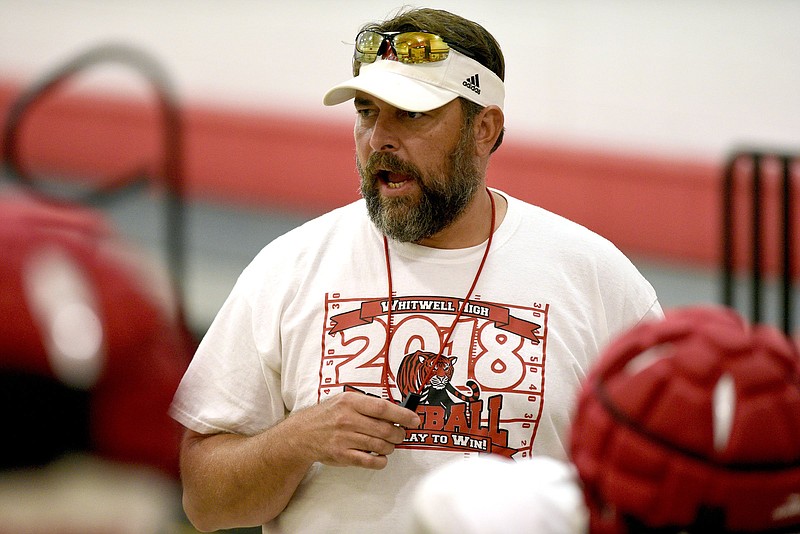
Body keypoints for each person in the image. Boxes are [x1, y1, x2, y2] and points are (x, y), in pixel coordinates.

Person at [169, 7, 663, 533]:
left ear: (485, 128)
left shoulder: (596, 278)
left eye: (411, 114)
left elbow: (669, 482)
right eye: (366, 111)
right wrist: (295, 440)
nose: (379, 137)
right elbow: (205, 503)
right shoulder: (289, 267)